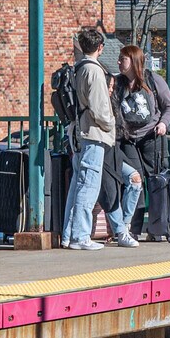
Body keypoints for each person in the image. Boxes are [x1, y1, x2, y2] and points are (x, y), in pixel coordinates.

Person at [61, 27, 120, 250]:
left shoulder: (78, 68)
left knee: (77, 186)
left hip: (78, 132)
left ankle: (69, 234)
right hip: (93, 134)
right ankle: (81, 236)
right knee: (89, 186)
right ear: (100, 48)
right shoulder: (94, 72)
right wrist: (111, 124)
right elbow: (99, 109)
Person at [111, 44, 170, 233]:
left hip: (151, 137)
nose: (119, 62)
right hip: (128, 139)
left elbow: (169, 107)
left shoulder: (154, 81)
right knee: (134, 182)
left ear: (134, 61)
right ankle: (134, 230)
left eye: (123, 59)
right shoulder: (117, 84)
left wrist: (163, 123)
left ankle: (160, 227)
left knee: (156, 183)